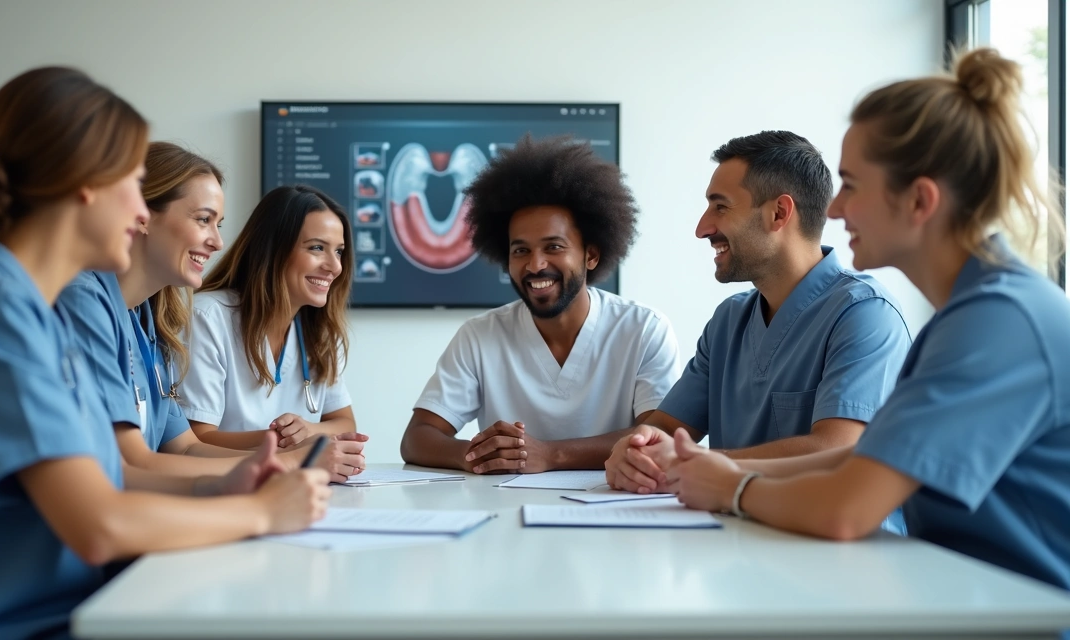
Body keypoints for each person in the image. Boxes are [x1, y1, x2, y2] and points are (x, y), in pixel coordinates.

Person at [0, 67, 330, 640]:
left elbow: (112, 475)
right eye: (135, 185)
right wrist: (260, 513)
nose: (141, 213)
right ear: (84, 182)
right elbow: (96, 524)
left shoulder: (31, 312)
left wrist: (223, 487)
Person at [667, 48, 1070, 596]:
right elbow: (870, 456)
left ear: (920, 201)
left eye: (851, 186)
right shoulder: (974, 312)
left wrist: (732, 488)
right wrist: (709, 470)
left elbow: (847, 509)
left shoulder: (999, 322)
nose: (832, 211)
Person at [604, 131, 912, 497]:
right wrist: (635, 451)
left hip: (838, 550)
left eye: (720, 207)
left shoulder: (865, 315)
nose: (702, 228)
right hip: (739, 539)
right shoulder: (728, 321)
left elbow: (839, 449)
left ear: (779, 213)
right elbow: (667, 431)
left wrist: (697, 465)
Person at [57, 143, 359, 481]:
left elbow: (184, 447)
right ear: (141, 215)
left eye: (218, 224)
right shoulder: (83, 303)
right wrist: (289, 463)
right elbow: (130, 467)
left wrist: (284, 460)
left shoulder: (147, 322)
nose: (218, 242)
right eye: (204, 220)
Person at [400, 135, 683, 474]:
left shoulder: (644, 330)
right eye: (521, 250)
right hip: (505, 514)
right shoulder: (480, 336)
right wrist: (478, 454)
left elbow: (658, 437)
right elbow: (417, 438)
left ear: (590, 255)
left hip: (612, 512)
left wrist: (551, 455)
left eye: (553, 247)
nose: (535, 265)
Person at [180, 184, 367, 480]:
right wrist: (289, 448)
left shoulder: (320, 333)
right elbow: (194, 440)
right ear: (273, 250)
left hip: (292, 489)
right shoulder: (208, 318)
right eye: (317, 247)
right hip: (220, 488)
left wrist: (310, 430)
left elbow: (345, 422)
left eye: (339, 251)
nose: (334, 266)